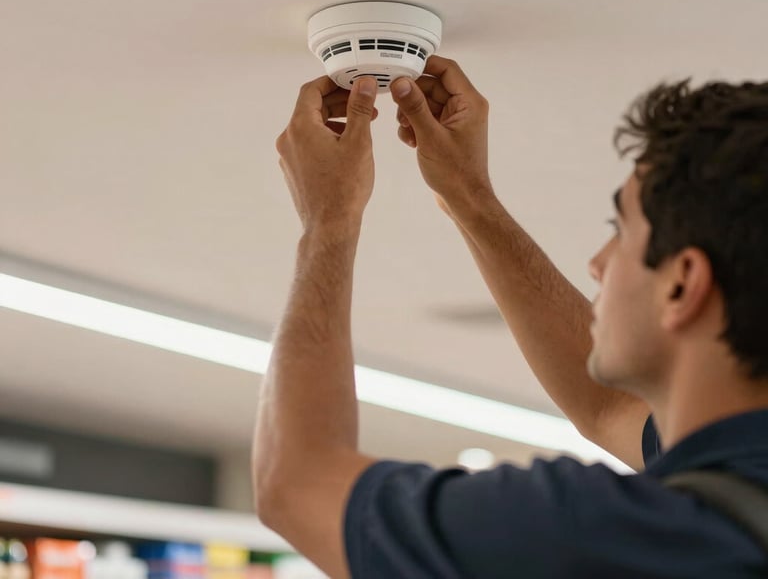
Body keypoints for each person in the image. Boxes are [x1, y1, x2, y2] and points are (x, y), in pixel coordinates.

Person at [252, 56, 768, 578]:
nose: (598, 262)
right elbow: (608, 408)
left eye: (623, 229)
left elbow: (296, 484)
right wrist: (470, 197)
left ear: (682, 283)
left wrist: (328, 223)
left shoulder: (603, 533)